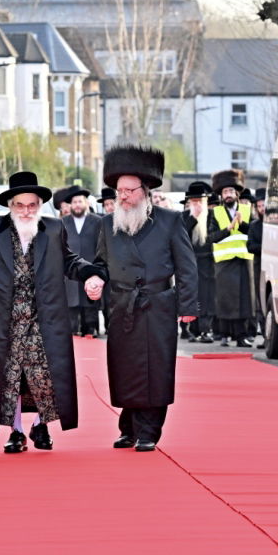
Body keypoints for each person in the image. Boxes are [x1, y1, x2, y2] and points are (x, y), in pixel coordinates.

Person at [0, 172, 104, 453]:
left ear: (39, 205)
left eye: (32, 205)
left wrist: (90, 275)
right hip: (4, 318)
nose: (26, 211)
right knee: (11, 377)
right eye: (20, 205)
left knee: (43, 375)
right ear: (10, 205)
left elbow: (70, 260)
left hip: (43, 318)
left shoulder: (53, 228)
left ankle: (40, 425)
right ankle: (16, 431)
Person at [93, 145, 198, 452]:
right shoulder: (107, 224)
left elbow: (187, 266)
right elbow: (100, 262)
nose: (121, 196)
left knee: (155, 369)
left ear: (145, 190)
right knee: (125, 368)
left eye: (128, 190)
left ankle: (149, 430)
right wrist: (95, 279)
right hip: (122, 305)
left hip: (158, 304)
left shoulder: (170, 220)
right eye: (118, 190)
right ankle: (128, 426)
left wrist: (188, 307)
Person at [211, 170, 254, 347]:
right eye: (225, 192)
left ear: (237, 194)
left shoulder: (246, 210)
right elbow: (211, 237)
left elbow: (254, 232)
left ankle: (242, 335)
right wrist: (228, 228)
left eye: (231, 192)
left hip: (243, 260)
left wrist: (241, 223)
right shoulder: (216, 213)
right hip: (224, 262)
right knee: (225, 300)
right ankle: (224, 334)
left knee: (244, 300)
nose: (228, 195)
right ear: (221, 195)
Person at [62, 187, 103, 336]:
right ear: (70, 205)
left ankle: (90, 331)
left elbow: (101, 245)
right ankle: (73, 332)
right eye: (74, 202)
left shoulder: (97, 221)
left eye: (80, 201)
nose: (77, 205)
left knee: (90, 304)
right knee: (71, 304)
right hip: (71, 271)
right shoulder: (63, 222)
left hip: (91, 268)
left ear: (85, 203)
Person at [181, 181, 217, 343]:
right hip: (190, 264)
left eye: (200, 202)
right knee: (192, 297)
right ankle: (193, 330)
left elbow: (212, 238)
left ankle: (206, 330)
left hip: (207, 263)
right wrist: (193, 218)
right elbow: (181, 237)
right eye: (194, 202)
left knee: (207, 297)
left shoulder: (212, 216)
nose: (197, 205)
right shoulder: (183, 218)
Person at [246, 187, 267, 343]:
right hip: (259, 266)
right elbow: (250, 246)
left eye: (264, 205)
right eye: (259, 206)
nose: (262, 209)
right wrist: (266, 247)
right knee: (260, 302)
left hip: (277, 267)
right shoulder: (254, 225)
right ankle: (267, 336)